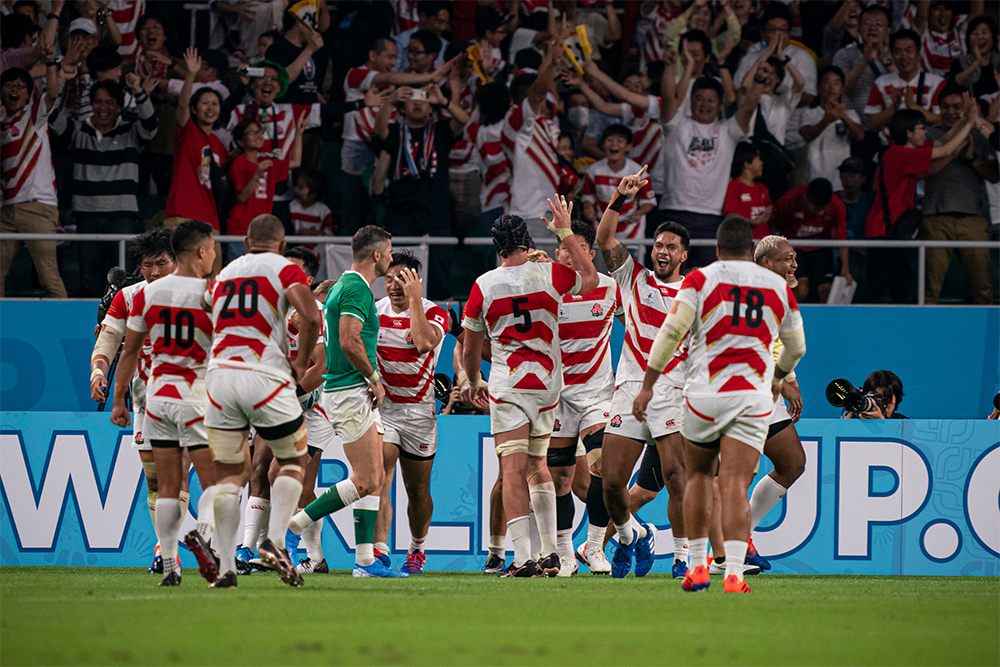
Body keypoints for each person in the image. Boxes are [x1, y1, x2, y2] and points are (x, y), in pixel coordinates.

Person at [632, 216, 806, 594]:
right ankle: (734, 574)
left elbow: (669, 335)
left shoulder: (699, 279)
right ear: (751, 250)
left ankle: (697, 566)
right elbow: (796, 347)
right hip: (751, 396)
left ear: (717, 249)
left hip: (704, 395)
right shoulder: (777, 286)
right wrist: (778, 379)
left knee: (699, 477)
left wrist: (647, 387)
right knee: (736, 484)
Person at [461, 196, 598, 578]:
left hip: (510, 386)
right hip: (548, 385)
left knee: (512, 469)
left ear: (497, 246)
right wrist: (566, 232)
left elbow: (470, 349)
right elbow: (589, 277)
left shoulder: (484, 286)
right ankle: (550, 553)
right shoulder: (551, 273)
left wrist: (473, 379)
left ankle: (522, 558)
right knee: (539, 466)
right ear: (527, 240)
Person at [287, 225, 409, 579]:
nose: (390, 258)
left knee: (375, 477)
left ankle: (365, 561)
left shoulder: (345, 285)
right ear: (376, 254)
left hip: (350, 391)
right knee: (366, 479)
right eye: (389, 251)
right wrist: (374, 378)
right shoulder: (355, 288)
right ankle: (291, 528)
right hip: (350, 390)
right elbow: (349, 339)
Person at [205, 214, 320, 589]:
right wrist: (299, 362)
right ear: (282, 246)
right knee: (292, 459)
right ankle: (273, 541)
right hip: (264, 373)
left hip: (220, 377)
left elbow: (206, 320)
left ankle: (226, 565)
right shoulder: (286, 269)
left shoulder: (223, 274)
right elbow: (311, 317)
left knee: (229, 475)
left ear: (244, 242)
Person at [109, 220, 219, 587]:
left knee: (166, 487)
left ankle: (170, 564)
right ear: (200, 252)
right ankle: (203, 532)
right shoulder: (211, 293)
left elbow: (129, 352)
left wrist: (119, 400)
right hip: (195, 395)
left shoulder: (144, 295)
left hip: (157, 398)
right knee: (216, 480)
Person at [595, 167, 691, 580]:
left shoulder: (694, 292)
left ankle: (683, 557)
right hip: (630, 388)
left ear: (683, 255)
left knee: (676, 477)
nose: (662, 251)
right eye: (658, 245)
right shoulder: (633, 278)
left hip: (673, 390)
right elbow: (604, 240)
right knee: (611, 482)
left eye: (671, 246)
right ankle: (631, 535)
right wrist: (619, 197)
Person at [89, 228, 176, 573]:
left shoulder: (197, 293)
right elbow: (109, 340)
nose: (153, 271)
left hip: (191, 400)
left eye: (161, 263)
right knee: (155, 480)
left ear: (176, 261)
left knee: (176, 477)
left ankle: (172, 549)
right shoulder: (127, 297)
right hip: (145, 400)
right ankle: (167, 549)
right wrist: (98, 372)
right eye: (147, 264)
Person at [543, 219, 620, 576]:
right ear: (557, 252)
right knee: (560, 478)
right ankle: (564, 554)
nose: (570, 256)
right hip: (557, 396)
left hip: (597, 394)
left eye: (578, 249)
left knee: (602, 463)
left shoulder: (609, 288)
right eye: (564, 248)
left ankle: (594, 547)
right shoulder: (546, 290)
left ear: (589, 253)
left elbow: (639, 328)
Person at [372, 251, 450, 575]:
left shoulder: (435, 312)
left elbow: (423, 343)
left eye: (402, 280)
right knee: (379, 475)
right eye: (389, 279)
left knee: (417, 492)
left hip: (419, 413)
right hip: (385, 409)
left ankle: (417, 548)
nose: (393, 286)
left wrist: (415, 300)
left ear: (416, 282)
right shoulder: (374, 311)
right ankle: (379, 551)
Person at [862, 101, 984, 304]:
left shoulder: (908, 152)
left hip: (897, 232)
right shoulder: (899, 154)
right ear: (909, 133)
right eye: (922, 128)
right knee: (876, 288)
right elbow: (945, 150)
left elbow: (943, 142)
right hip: (883, 232)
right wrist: (970, 123)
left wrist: (963, 122)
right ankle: (860, 322)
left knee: (901, 287)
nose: (926, 133)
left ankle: (900, 323)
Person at [48, 74, 157, 298]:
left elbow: (151, 124)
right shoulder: (79, 131)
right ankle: (91, 318)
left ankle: (123, 318)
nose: (103, 107)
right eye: (98, 101)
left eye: (109, 102)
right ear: (91, 104)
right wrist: (60, 82)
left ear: (119, 107)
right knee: (89, 279)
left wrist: (138, 91)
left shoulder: (131, 132)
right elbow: (51, 115)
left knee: (123, 279)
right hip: (87, 215)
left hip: (122, 216)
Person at [740, 234, 809, 573]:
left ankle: (741, 539)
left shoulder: (780, 293)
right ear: (766, 263)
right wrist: (785, 383)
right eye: (787, 259)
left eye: (794, 258)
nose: (793, 264)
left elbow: (780, 343)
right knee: (737, 476)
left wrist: (789, 381)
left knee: (792, 462)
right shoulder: (750, 293)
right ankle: (724, 553)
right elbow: (752, 347)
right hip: (743, 392)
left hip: (769, 390)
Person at [339, 36, 454, 236]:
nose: (394, 63)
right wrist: (430, 76)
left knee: (378, 221)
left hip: (382, 154)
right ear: (373, 55)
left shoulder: (393, 86)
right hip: (356, 158)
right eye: (390, 57)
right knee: (353, 219)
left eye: (395, 58)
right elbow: (391, 78)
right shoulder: (356, 74)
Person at [659, 61, 764, 269]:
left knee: (707, 280)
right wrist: (670, 66)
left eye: (710, 100)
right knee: (668, 278)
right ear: (691, 101)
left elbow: (748, 107)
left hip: (712, 219)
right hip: (674, 213)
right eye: (699, 98)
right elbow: (668, 97)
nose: (704, 104)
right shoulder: (677, 124)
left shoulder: (729, 130)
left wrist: (759, 81)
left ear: (720, 103)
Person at [372, 80, 469, 299]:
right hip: (402, 212)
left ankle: (444, 317)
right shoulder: (397, 132)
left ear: (431, 106)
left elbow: (463, 119)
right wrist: (391, 101)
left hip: (436, 212)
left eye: (423, 99)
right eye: (411, 99)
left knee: (441, 276)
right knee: (398, 270)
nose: (417, 103)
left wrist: (443, 101)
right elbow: (379, 129)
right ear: (402, 108)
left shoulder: (441, 131)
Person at [921, 84, 998, 305]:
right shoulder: (928, 135)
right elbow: (923, 169)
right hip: (935, 216)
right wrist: (954, 150)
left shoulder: (979, 135)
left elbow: (995, 176)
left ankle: (987, 327)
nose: (951, 112)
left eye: (957, 106)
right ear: (938, 108)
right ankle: (923, 326)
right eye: (945, 107)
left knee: (983, 289)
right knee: (929, 289)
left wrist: (972, 159)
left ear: (965, 109)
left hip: (973, 218)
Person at [0, 63, 68, 298]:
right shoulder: (1, 124)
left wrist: (50, 63)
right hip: (6, 211)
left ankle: (62, 319)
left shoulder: (34, 114)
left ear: (28, 94)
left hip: (37, 207)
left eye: (20, 86)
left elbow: (53, 93)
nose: (14, 89)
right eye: (9, 85)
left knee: (49, 278)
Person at [163, 48, 226, 273]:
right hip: (181, 214)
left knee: (211, 281)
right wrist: (190, 74)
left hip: (210, 222)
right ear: (194, 109)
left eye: (215, 104)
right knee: (175, 276)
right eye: (205, 103)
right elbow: (181, 107)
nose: (210, 108)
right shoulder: (188, 132)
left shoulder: (219, 144)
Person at [225, 113, 305, 262]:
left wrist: (298, 133)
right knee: (241, 273)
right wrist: (257, 174)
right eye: (252, 132)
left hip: (263, 233)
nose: (258, 135)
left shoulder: (267, 162)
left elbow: (296, 162)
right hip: (241, 231)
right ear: (240, 142)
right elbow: (241, 197)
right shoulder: (239, 163)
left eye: (259, 131)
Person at [771, 178, 851, 303]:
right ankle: (793, 314)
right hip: (794, 247)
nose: (821, 213)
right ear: (806, 199)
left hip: (821, 247)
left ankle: (823, 315)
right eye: (817, 209)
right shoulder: (789, 200)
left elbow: (842, 239)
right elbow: (774, 225)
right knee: (801, 289)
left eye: (824, 208)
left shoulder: (837, 205)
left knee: (826, 289)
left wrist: (845, 269)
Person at [866, 29, 946, 141]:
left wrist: (914, 107)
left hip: (926, 146)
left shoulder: (936, 83)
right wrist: (893, 108)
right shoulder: (881, 83)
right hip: (890, 147)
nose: (903, 57)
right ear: (892, 55)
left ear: (919, 54)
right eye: (898, 52)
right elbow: (872, 124)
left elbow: (942, 120)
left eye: (909, 51)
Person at [580, 124, 655, 244]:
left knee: (629, 257)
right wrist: (588, 208)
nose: (614, 144)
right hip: (602, 227)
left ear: (628, 146)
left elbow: (648, 202)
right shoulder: (594, 170)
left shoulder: (638, 173)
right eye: (609, 140)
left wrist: (639, 213)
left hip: (630, 230)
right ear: (603, 144)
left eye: (620, 141)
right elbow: (588, 197)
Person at [733, 3, 817, 106]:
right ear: (763, 33)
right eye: (772, 30)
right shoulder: (749, 58)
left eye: (782, 30)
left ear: (789, 33)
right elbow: (738, 91)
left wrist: (775, 99)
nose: (778, 35)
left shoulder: (803, 57)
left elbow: (808, 96)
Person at [796, 65, 864, 191]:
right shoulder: (809, 113)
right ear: (818, 88)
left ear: (842, 90)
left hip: (840, 181)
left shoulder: (850, 114)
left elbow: (860, 135)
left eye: (836, 83)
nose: (831, 87)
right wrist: (827, 119)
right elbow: (807, 136)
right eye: (826, 82)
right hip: (815, 177)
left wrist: (842, 116)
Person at [831, 5, 893, 127]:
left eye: (878, 24)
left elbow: (905, 83)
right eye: (867, 24)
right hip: (855, 127)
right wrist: (864, 62)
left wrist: (886, 62)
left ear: (888, 30)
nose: (872, 28)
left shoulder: (896, 54)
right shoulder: (844, 54)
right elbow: (841, 87)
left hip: (888, 128)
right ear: (859, 28)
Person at [904, 0, 983, 80]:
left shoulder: (958, 33)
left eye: (947, 8)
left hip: (958, 85)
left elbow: (977, 14)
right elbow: (921, 17)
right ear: (929, 13)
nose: (943, 14)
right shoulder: (923, 36)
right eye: (937, 9)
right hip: (930, 86)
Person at [836, 157, 873, 297]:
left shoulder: (870, 201)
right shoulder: (833, 200)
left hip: (863, 251)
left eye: (853, 176)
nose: (848, 180)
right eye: (845, 176)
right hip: (836, 251)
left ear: (863, 179)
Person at [722, 142, 772, 240]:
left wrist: (769, 212)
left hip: (763, 244)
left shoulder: (762, 188)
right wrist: (753, 222)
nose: (762, 163)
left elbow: (771, 215)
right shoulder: (734, 187)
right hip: (744, 243)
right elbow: (730, 216)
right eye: (758, 159)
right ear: (747, 164)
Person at [951, 17, 999, 99]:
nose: (980, 37)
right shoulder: (959, 61)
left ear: (993, 37)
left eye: (984, 33)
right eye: (975, 34)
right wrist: (975, 63)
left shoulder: (998, 60)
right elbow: (955, 83)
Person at [842, 370, 907, 419]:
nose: (884, 405)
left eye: (886, 400)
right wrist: (849, 419)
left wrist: (881, 422)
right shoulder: (855, 419)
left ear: (896, 399)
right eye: (878, 399)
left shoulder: (904, 424)